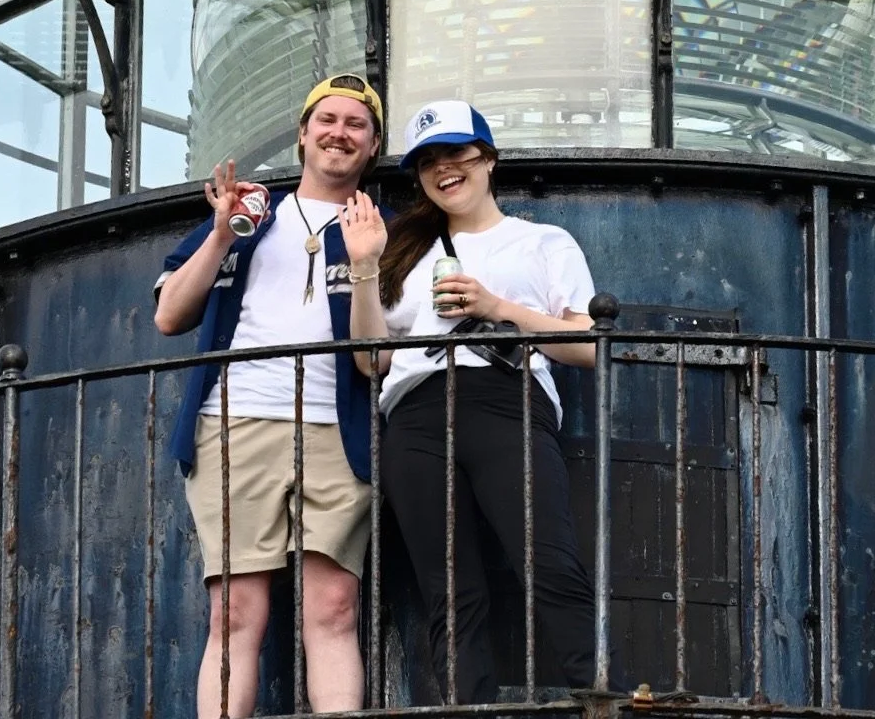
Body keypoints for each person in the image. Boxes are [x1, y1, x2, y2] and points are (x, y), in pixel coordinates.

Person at [339, 98, 607, 704]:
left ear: (488, 159)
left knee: (550, 564)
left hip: (504, 399)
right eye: (428, 160)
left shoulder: (542, 241)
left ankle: (601, 701)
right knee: (450, 592)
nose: (444, 168)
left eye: (456, 153)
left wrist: (499, 309)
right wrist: (363, 265)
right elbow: (370, 360)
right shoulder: (402, 250)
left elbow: (590, 346)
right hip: (413, 413)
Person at [154, 73, 389, 719]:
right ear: (303, 135)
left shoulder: (385, 226)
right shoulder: (253, 212)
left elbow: (375, 360)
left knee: (334, 606)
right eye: (327, 120)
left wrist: (367, 261)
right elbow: (169, 315)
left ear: (372, 147)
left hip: (337, 430)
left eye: (356, 125)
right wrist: (222, 233)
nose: (339, 132)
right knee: (233, 611)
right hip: (237, 420)